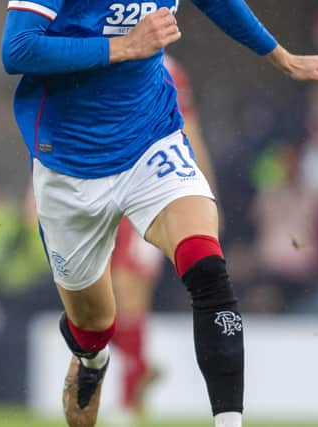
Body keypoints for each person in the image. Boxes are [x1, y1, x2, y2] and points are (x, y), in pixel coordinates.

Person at [1, 2, 318, 427]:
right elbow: (17, 49)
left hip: (152, 142)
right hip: (71, 168)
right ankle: (92, 357)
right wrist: (123, 46)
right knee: (93, 324)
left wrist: (279, 55)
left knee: (207, 270)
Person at [110, 54, 217, 420]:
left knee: (130, 294)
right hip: (103, 193)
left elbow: (190, 131)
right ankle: (138, 367)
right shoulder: (99, 52)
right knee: (97, 301)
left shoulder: (168, 69)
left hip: (151, 195)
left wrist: (204, 195)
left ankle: (129, 403)